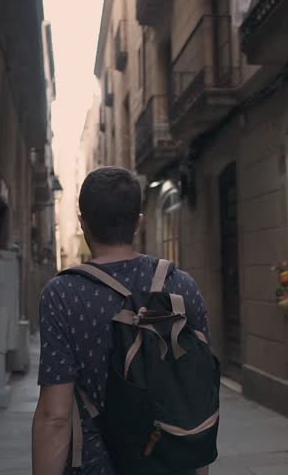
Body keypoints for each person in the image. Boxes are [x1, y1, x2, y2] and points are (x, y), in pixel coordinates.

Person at [31, 167, 212, 475]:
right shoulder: (182, 285)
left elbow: (55, 416)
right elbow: (198, 391)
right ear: (137, 221)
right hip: (170, 462)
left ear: (82, 223)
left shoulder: (62, 294)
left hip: (93, 465)